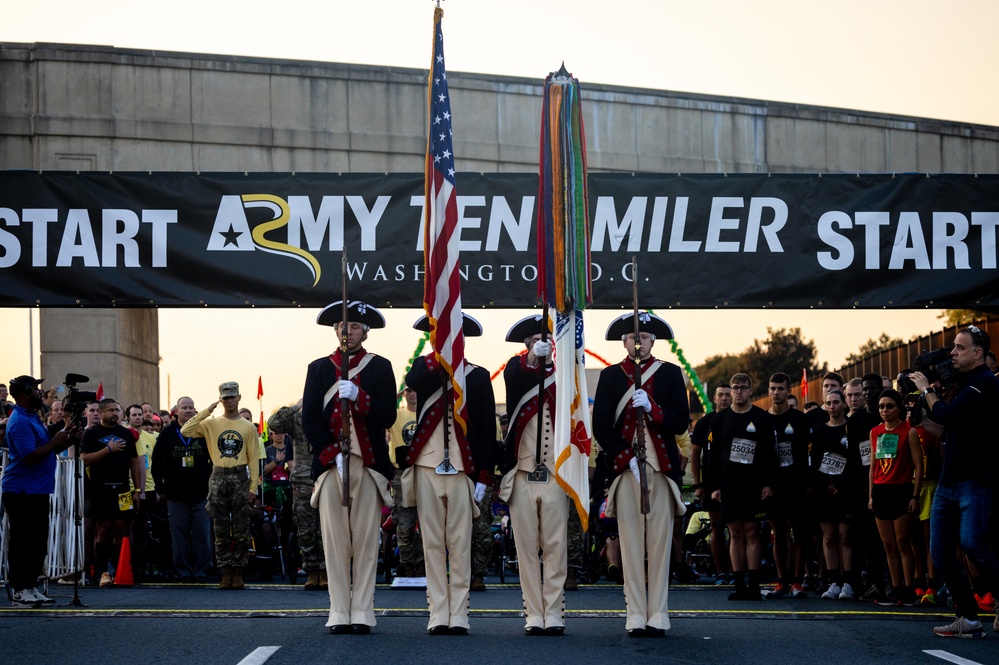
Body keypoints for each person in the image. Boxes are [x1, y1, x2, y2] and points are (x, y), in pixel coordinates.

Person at [592, 312, 689, 637]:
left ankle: (658, 613)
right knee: (630, 544)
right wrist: (625, 458)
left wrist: (653, 409)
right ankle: (634, 613)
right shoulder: (610, 376)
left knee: (660, 544)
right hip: (626, 472)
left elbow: (680, 422)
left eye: (644, 337)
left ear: (652, 341)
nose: (638, 342)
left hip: (660, 471)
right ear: (625, 342)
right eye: (633, 338)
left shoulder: (671, 374)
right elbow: (601, 426)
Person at [302, 301, 396, 634]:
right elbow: (309, 418)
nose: (347, 331)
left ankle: (364, 610)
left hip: (368, 466)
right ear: (335, 330)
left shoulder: (380, 367)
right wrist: (332, 453)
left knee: (366, 542)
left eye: (354, 326)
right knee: (335, 541)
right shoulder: (319, 369)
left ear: (365, 332)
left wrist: (359, 396)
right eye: (342, 326)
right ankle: (339, 609)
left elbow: (388, 415)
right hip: (331, 467)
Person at [402, 313, 496, 636]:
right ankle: (437, 611)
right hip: (427, 466)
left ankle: (459, 612)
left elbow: (485, 430)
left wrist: (485, 475)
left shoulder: (478, 377)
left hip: (461, 468)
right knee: (431, 543)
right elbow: (413, 379)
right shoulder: (424, 370)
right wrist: (439, 357)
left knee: (459, 543)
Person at [911, 326, 999, 638]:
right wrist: (927, 394)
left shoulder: (985, 383)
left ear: (978, 354)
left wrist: (926, 390)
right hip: (948, 481)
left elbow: (948, 414)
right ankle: (968, 618)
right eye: (953, 347)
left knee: (972, 542)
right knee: (941, 551)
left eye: (960, 348)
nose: (952, 353)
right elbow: (934, 423)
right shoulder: (959, 384)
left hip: (975, 480)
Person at [498, 314, 569, 635]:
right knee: (525, 547)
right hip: (523, 471)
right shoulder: (517, 370)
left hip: (556, 473)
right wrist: (530, 358)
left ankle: (554, 611)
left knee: (555, 545)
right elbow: (516, 378)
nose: (541, 347)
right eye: (532, 343)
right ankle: (532, 611)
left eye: (545, 343)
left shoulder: (567, 373)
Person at [1, 375, 80, 606]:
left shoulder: (31, 417)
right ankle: (19, 589)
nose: (40, 392)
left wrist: (68, 439)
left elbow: (47, 449)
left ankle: (30, 586)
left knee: (37, 542)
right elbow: (31, 455)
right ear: (25, 393)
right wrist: (57, 439)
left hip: (37, 490)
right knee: (22, 543)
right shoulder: (19, 422)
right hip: (21, 491)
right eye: (36, 389)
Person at [181, 382, 261, 590]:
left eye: (232, 397)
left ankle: (239, 571)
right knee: (220, 528)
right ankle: (225, 571)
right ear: (220, 399)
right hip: (218, 476)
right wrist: (207, 411)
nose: (229, 401)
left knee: (242, 528)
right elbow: (186, 430)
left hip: (239, 476)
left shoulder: (247, 426)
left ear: (239, 397)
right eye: (225, 397)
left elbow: (253, 459)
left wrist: (253, 487)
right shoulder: (211, 423)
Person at [706, 372, 777, 601]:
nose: (738, 391)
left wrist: (768, 483)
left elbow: (769, 454)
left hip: (754, 483)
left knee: (752, 532)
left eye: (742, 387)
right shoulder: (719, 419)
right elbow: (712, 456)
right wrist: (714, 486)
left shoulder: (762, 418)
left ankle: (754, 585)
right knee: (735, 533)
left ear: (750, 391)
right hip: (729, 484)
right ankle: (739, 584)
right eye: (735, 387)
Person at [868, 389, 923, 606]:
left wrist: (914, 496)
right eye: (881, 406)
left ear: (899, 407)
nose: (884, 410)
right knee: (888, 545)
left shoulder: (909, 432)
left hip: (902, 490)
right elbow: (873, 467)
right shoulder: (875, 432)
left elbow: (919, 466)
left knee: (903, 543)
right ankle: (895, 587)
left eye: (889, 406)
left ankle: (909, 589)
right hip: (881, 492)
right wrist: (871, 495)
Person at [80, 398, 142, 587]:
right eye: (112, 410)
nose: (115, 413)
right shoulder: (91, 433)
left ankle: (117, 569)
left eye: (118, 410)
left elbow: (134, 462)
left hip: (123, 488)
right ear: (102, 412)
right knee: (104, 528)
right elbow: (84, 459)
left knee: (122, 527)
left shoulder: (126, 434)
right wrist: (108, 449)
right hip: (100, 488)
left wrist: (137, 490)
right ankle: (102, 571)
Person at [152, 396, 213, 583]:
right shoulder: (167, 433)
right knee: (179, 534)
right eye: (184, 407)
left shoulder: (203, 431)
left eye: (191, 407)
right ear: (176, 411)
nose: (188, 410)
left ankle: (202, 571)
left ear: (196, 411)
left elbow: (213, 461)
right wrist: (160, 487)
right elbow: (156, 462)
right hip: (175, 494)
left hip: (201, 494)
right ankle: (184, 571)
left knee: (203, 533)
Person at [267, 402, 327, 591]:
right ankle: (311, 571)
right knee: (306, 528)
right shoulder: (296, 418)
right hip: (302, 479)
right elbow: (274, 424)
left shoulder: (330, 411)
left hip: (327, 476)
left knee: (327, 528)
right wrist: (296, 406)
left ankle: (326, 572)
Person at [765, 372, 813, 599]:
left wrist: (807, 484)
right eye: (773, 388)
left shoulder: (800, 419)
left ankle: (797, 581)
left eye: (780, 389)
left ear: (788, 391)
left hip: (797, 485)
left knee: (800, 533)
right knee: (779, 533)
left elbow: (808, 455)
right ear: (768, 391)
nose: (776, 393)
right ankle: (782, 581)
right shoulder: (764, 420)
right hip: (774, 487)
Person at [810, 389, 860, 600]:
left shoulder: (852, 428)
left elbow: (857, 461)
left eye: (836, 402)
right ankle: (833, 581)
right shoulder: (820, 430)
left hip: (846, 491)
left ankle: (848, 581)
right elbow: (814, 460)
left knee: (845, 536)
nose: (832, 406)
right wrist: (824, 485)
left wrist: (843, 486)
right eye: (828, 403)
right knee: (829, 536)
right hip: (824, 490)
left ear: (844, 404)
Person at [690, 384, 734, 585]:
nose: (724, 398)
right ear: (714, 399)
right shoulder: (704, 423)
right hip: (710, 482)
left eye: (727, 395)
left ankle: (736, 571)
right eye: (720, 395)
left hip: (734, 482)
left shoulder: (738, 420)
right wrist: (698, 484)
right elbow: (694, 454)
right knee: (716, 527)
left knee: (735, 528)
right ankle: (721, 572)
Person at [386, 385, 425, 578]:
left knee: (428, 521)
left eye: (415, 390)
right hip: (401, 474)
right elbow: (382, 410)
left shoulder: (428, 415)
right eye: (408, 391)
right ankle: (408, 563)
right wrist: (396, 394)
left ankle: (425, 563)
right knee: (404, 522)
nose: (412, 394)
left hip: (425, 472)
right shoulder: (396, 415)